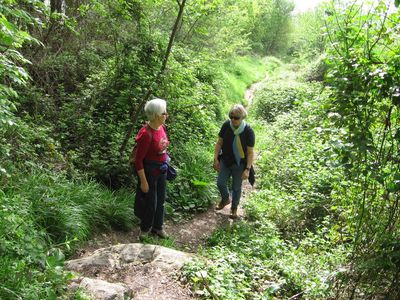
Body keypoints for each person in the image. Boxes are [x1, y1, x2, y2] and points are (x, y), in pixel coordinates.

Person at [134, 98, 170, 239]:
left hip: (161, 170)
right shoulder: (146, 134)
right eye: (164, 113)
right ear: (155, 116)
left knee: (161, 200)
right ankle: (144, 229)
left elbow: (162, 147)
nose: (166, 115)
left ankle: (158, 227)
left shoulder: (162, 127)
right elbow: (138, 160)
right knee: (151, 202)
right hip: (149, 172)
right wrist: (143, 181)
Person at [213, 104, 255, 219]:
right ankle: (225, 199)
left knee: (236, 187)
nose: (233, 119)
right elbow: (219, 143)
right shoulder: (227, 125)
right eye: (231, 116)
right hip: (225, 160)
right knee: (220, 183)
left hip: (239, 163)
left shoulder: (248, 131)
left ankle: (234, 208)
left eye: (236, 117)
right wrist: (215, 159)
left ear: (242, 118)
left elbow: (250, 152)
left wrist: (247, 169)